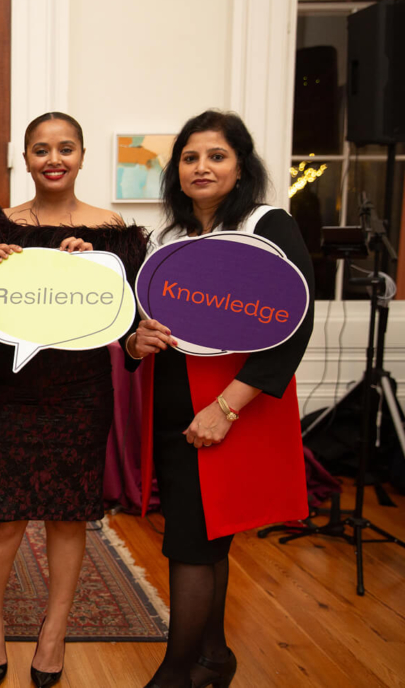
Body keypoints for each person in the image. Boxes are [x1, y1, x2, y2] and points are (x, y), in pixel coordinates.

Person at [128, 110, 315, 688]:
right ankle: (213, 655)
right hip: (173, 403)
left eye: (216, 156)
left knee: (193, 539)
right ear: (176, 170)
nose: (201, 167)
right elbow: (137, 331)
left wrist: (227, 408)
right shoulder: (165, 240)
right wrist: (138, 341)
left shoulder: (267, 225)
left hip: (233, 408)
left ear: (241, 166)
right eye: (190, 157)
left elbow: (296, 321)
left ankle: (177, 672)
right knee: (204, 534)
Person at [0, 113, 147, 688]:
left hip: (80, 389)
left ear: (81, 155)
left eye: (65, 148)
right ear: (23, 159)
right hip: (9, 389)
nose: (54, 158)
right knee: (2, 514)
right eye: (41, 149)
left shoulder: (113, 232)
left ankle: (55, 630)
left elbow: (127, 322)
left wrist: (92, 272)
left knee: (69, 516)